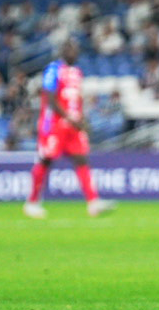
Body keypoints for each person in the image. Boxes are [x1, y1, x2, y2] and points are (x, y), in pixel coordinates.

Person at [24, 38, 112, 219]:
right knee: (46, 160)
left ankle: (93, 202)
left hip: (73, 125)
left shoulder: (77, 72)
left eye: (76, 49)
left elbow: (76, 100)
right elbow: (49, 99)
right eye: (70, 49)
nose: (74, 52)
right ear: (63, 51)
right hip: (54, 125)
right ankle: (32, 202)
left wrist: (81, 119)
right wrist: (69, 118)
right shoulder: (53, 69)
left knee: (81, 160)